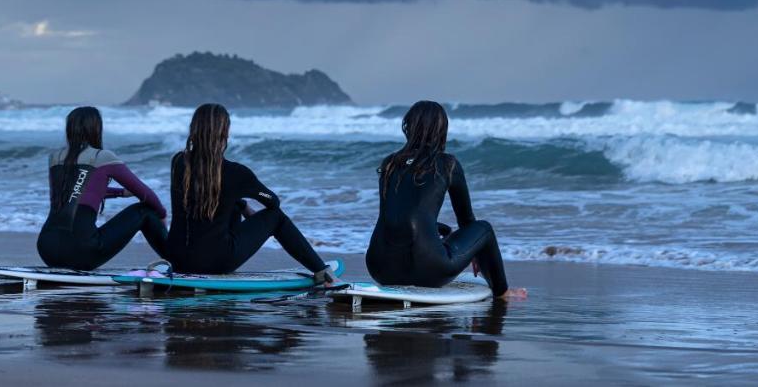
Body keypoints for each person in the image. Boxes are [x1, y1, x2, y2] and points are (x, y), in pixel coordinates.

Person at [366, 100, 526, 300]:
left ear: (408, 127)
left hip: (381, 269)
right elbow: (467, 221)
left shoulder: (389, 163)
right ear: (442, 130)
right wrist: (476, 250)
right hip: (427, 271)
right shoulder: (447, 164)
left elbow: (396, 215)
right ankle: (503, 293)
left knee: (438, 229)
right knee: (484, 229)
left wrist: (441, 230)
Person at [166, 103, 335, 281]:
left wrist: (241, 203)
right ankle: (323, 273)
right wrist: (248, 200)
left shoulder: (178, 162)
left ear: (193, 129)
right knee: (276, 217)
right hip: (214, 263)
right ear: (225, 133)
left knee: (232, 204)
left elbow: (206, 191)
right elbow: (272, 202)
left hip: (176, 260)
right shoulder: (237, 174)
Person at [37, 105, 168, 270]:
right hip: (81, 251)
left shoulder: (54, 157)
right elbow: (145, 193)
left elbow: (75, 193)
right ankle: (175, 259)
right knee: (144, 211)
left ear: (70, 128)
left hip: (47, 249)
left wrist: (120, 193)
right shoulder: (102, 157)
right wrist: (162, 215)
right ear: (96, 128)